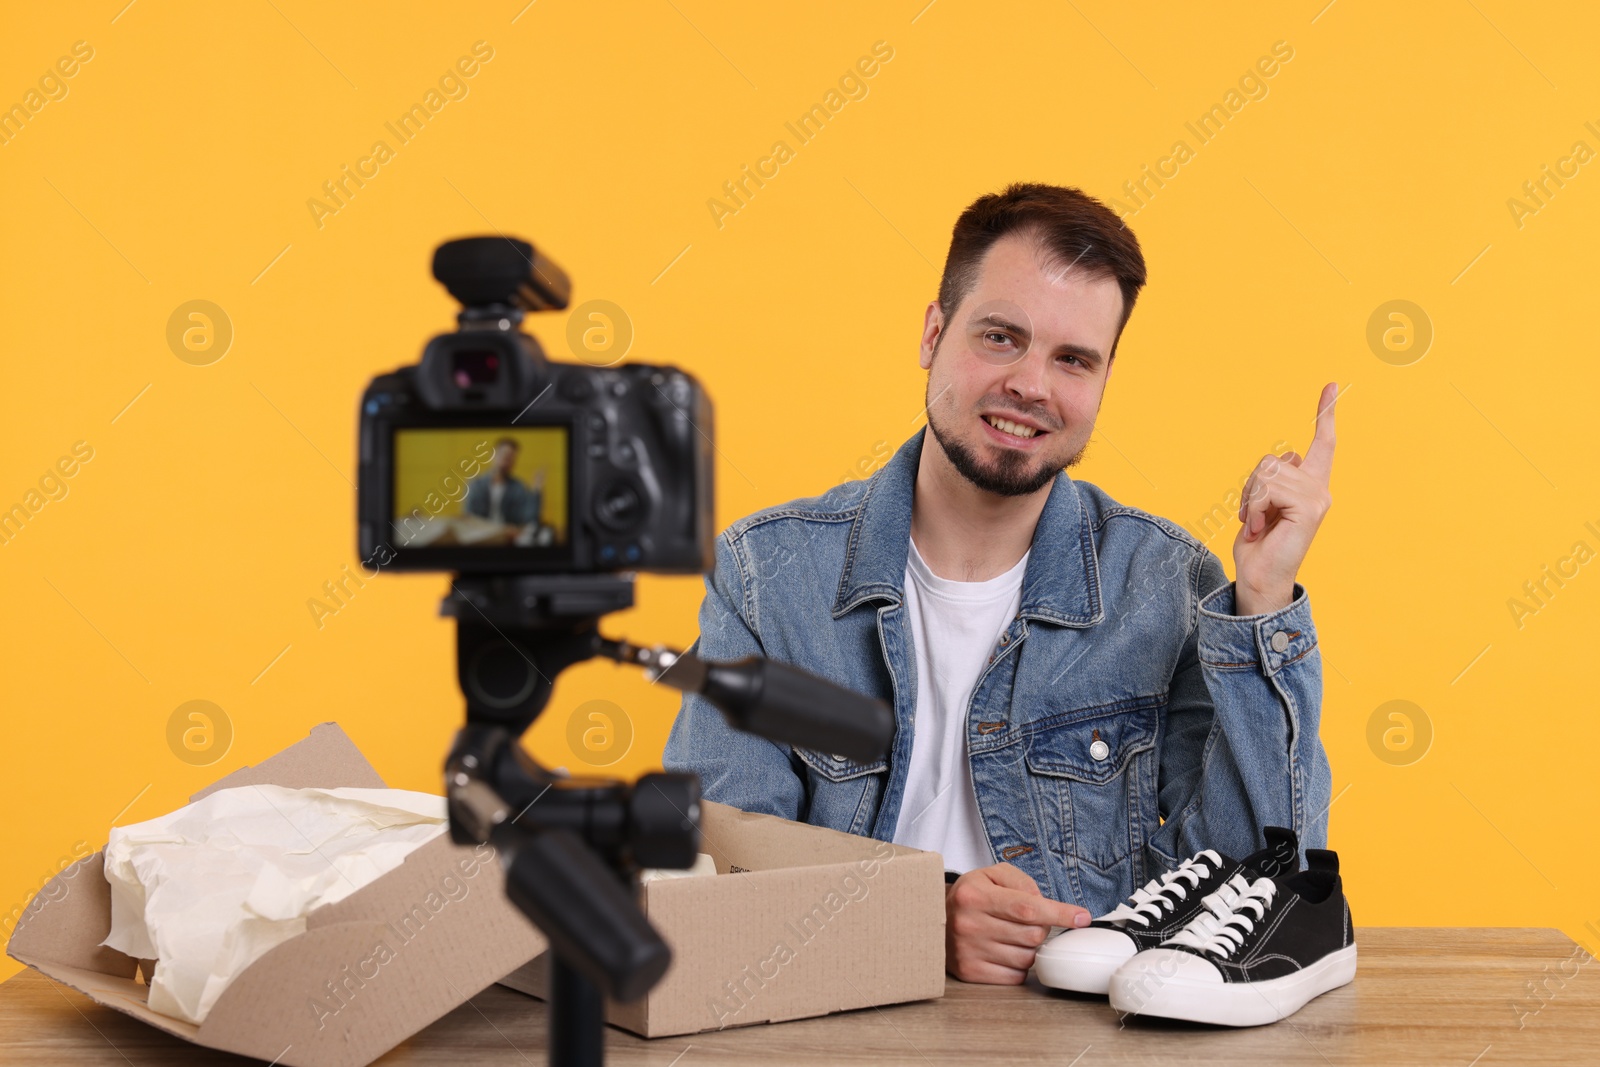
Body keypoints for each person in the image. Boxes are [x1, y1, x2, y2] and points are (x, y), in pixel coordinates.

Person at [663, 181, 1337, 985]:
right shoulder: (766, 576)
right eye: (1001, 337)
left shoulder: (1167, 581)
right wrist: (919, 918)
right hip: (840, 1020)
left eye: (1073, 359)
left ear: (1104, 378)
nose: (1032, 385)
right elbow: (715, 866)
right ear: (933, 333)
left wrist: (1262, 604)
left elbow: (1260, 885)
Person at [463, 437, 544, 534]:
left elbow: (530, 519)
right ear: (492, 455)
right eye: (504, 455)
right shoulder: (476, 485)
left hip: (508, 537)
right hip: (481, 535)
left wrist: (536, 491)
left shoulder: (518, 488)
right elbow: (469, 517)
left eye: (511, 458)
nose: (506, 460)